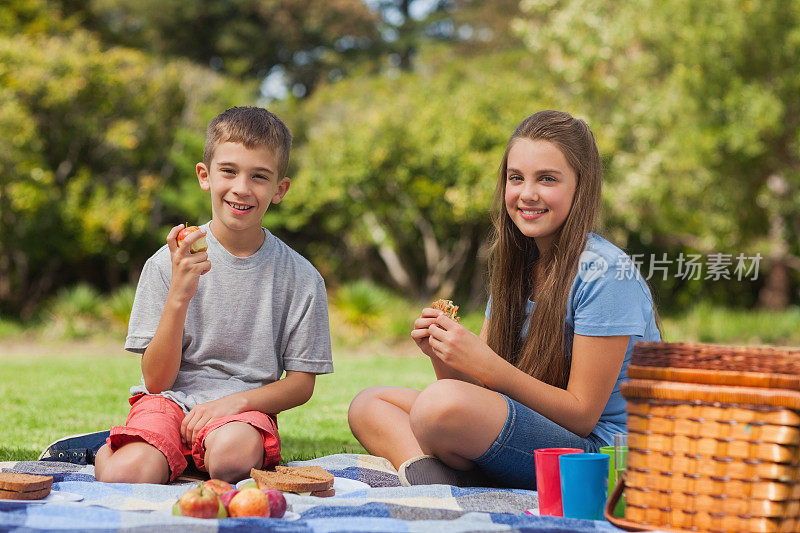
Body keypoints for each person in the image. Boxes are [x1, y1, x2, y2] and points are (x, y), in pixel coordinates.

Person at [347, 110, 661, 489]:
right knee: (369, 405)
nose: (527, 194)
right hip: (538, 436)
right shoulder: (520, 268)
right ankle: (432, 474)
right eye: (516, 178)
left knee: (439, 406)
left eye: (547, 179)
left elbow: (581, 415)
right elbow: (480, 395)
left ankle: (454, 477)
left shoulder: (605, 272)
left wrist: (487, 364)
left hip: (604, 458)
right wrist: (441, 354)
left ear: (582, 185)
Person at [93, 106, 333, 484]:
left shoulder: (302, 277)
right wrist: (179, 295)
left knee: (232, 460)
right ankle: (117, 448)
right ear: (205, 176)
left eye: (259, 176)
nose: (241, 188)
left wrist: (233, 403)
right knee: (129, 473)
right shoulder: (166, 264)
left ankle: (169, 450)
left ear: (279, 189)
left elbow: (301, 384)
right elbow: (156, 382)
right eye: (229, 171)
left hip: (242, 413)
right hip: (168, 402)